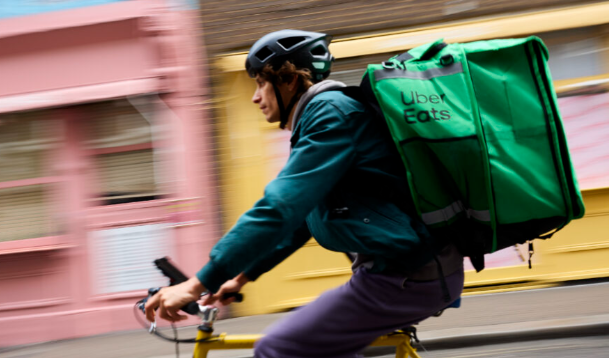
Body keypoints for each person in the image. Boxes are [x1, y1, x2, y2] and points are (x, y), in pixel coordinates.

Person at [145, 29, 465, 358]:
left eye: (260, 83)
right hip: (404, 274)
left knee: (278, 348)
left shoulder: (330, 115)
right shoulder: (323, 118)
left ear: (289, 81)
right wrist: (241, 277)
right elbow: (300, 222)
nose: (255, 97)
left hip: (407, 277)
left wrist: (197, 284)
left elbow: (278, 209)